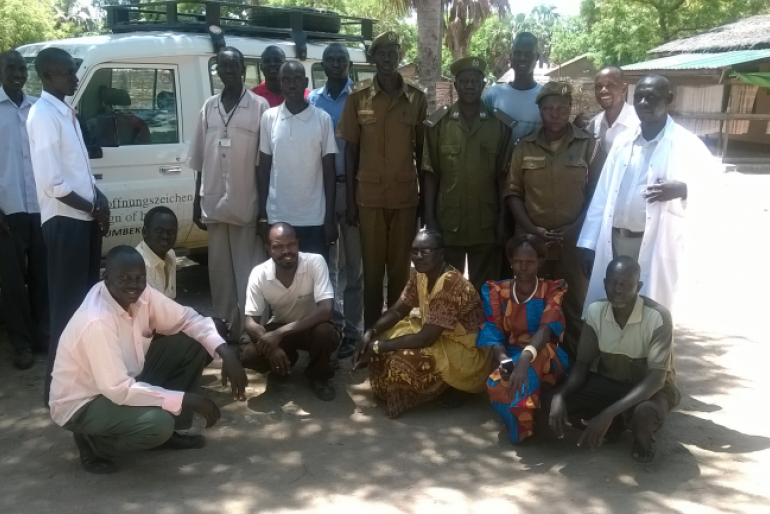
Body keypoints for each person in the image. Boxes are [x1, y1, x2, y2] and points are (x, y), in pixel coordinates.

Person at [49, 246, 248, 474]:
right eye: (124, 278)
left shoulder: (142, 295)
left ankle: (172, 431)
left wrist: (226, 353)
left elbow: (187, 318)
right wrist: (187, 399)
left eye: (140, 278)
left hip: (123, 378)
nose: (134, 286)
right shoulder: (98, 321)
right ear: (106, 278)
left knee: (193, 342)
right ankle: (93, 443)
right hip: (85, 401)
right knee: (157, 424)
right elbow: (119, 390)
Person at [578, 74, 714, 315]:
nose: (643, 103)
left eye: (651, 97)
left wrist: (682, 189)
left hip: (655, 243)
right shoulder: (623, 141)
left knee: (651, 316)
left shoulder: (686, 143)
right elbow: (602, 194)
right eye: (639, 97)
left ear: (668, 99)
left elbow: (713, 189)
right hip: (615, 240)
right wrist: (589, 244)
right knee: (610, 310)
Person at [26, 47, 111, 402]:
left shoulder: (66, 113)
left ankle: (83, 381)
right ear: (47, 75)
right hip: (65, 223)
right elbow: (53, 184)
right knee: (67, 308)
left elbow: (79, 175)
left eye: (74, 72)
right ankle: (56, 391)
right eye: (67, 73)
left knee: (85, 307)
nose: (75, 79)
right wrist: (93, 206)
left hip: (82, 219)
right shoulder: (43, 115)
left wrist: (99, 199)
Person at [504, 82, 603, 359]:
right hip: (534, 246)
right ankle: (539, 367)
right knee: (534, 306)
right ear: (540, 111)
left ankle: (574, 368)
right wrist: (531, 229)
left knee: (574, 306)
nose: (555, 114)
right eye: (548, 109)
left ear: (570, 110)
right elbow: (513, 193)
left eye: (561, 108)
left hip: (574, 242)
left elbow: (599, 194)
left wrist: (576, 228)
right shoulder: (524, 147)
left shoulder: (588, 146)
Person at [336, 31, 428, 329]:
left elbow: (423, 152)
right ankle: (371, 337)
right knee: (372, 272)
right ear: (373, 59)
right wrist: (350, 200)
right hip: (369, 199)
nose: (388, 59)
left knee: (400, 272)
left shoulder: (416, 98)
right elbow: (350, 150)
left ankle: (395, 335)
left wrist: (424, 203)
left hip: (404, 198)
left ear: (399, 57)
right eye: (382, 54)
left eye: (393, 53)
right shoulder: (357, 97)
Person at [549, 256, 680, 463]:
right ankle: (615, 425)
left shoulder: (658, 316)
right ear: (604, 283)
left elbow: (656, 379)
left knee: (644, 414)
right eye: (612, 282)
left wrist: (607, 413)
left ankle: (640, 434)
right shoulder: (596, 311)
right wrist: (560, 395)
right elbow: (582, 365)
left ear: (639, 286)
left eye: (626, 284)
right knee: (555, 404)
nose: (618, 290)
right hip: (611, 381)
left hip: (652, 387)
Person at [353, 229, 492, 418]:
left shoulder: (450, 282)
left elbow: (426, 338)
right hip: (438, 336)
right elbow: (397, 310)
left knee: (402, 360)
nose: (418, 257)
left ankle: (459, 385)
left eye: (425, 251)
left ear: (441, 253)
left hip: (464, 351)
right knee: (384, 336)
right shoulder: (422, 274)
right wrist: (370, 332)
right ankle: (440, 385)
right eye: (414, 251)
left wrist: (378, 347)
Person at [189, 47, 269, 343]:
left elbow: (265, 164)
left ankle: (252, 335)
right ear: (218, 71)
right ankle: (225, 333)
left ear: (243, 68)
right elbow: (198, 160)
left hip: (246, 205)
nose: (229, 70)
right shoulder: (208, 107)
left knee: (249, 275)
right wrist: (196, 202)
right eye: (223, 66)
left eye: (234, 65)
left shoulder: (259, 107)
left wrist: (264, 211)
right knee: (220, 276)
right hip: (213, 205)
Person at [423, 56, 514, 291]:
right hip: (448, 221)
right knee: (447, 289)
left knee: (485, 291)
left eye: (475, 81)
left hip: (486, 222)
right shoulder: (439, 125)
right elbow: (430, 173)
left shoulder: (499, 125)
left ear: (484, 85)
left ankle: (483, 329)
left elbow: (504, 176)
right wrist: (430, 218)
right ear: (456, 86)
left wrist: (504, 218)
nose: (470, 86)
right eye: (465, 81)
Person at [478, 235, 568, 444]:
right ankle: (523, 416)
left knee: (526, 372)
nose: (523, 267)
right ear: (510, 261)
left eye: (529, 262)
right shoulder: (497, 291)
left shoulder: (552, 290)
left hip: (546, 356)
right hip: (511, 355)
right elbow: (492, 330)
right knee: (496, 383)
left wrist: (525, 358)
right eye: (518, 261)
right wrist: (503, 359)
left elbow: (546, 329)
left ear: (540, 262)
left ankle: (522, 427)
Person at [241, 223, 339, 401]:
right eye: (278, 247)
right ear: (268, 249)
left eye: (291, 244)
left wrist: (278, 334)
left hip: (312, 327)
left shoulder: (315, 262)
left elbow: (326, 310)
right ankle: (286, 361)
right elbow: (250, 322)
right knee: (249, 354)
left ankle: (320, 376)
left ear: (298, 244)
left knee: (325, 332)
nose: (286, 251)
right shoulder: (259, 274)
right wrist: (273, 349)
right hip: (282, 326)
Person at [308, 43, 363, 358]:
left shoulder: (360, 98)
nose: (336, 63)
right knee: (326, 267)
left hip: (355, 190)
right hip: (323, 190)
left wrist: (355, 197)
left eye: (342, 59)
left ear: (348, 65)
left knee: (354, 267)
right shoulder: (312, 101)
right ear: (323, 64)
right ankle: (334, 327)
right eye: (331, 59)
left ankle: (354, 333)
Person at [257, 61, 338, 262]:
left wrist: (329, 218)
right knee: (281, 281)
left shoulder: (322, 119)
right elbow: (264, 169)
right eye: (286, 80)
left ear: (306, 82)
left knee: (315, 281)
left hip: (315, 219)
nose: (292, 85)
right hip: (279, 217)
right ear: (280, 83)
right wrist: (262, 216)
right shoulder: (269, 118)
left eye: (297, 79)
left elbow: (329, 172)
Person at [0, 50, 49, 370]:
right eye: (11, 68)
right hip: (8, 210)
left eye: (22, 68)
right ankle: (21, 344)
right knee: (12, 282)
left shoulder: (37, 108)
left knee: (43, 277)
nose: (18, 73)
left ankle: (43, 336)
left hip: (40, 207)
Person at [481, 32, 543, 144]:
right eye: (517, 53)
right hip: (498, 161)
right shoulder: (492, 96)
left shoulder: (545, 96)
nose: (522, 58)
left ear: (536, 57)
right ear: (511, 57)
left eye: (528, 54)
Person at [587, 66, 640, 154]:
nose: (603, 90)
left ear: (623, 89)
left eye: (611, 85)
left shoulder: (638, 122)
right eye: (599, 86)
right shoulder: (593, 125)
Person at [136, 206, 178, 299]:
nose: (165, 236)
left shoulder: (170, 254)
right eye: (159, 231)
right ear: (144, 232)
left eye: (171, 232)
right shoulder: (141, 264)